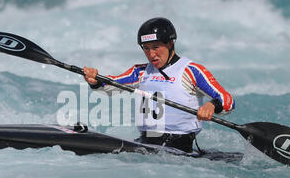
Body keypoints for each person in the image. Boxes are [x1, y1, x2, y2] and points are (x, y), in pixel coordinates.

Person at [83, 17, 235, 153]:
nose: (151, 54)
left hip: (179, 148)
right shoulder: (140, 71)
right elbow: (111, 84)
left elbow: (227, 99)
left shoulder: (191, 71)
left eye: (156, 47)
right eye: (146, 48)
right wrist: (96, 80)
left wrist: (212, 106)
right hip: (146, 142)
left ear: (170, 43)